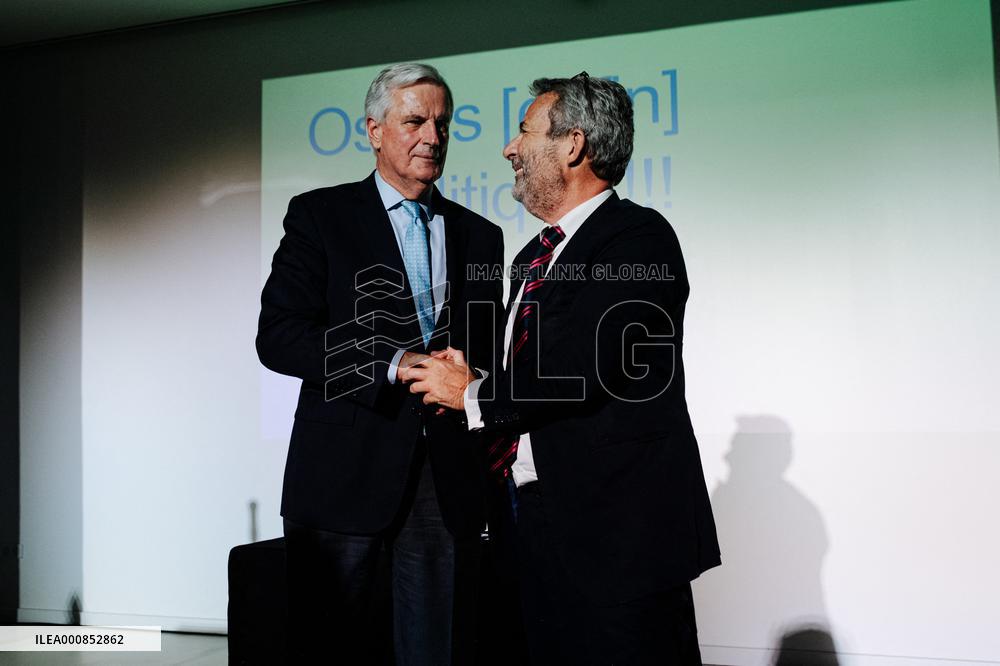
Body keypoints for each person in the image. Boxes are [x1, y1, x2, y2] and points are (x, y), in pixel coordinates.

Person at [402, 73, 721, 665]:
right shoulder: (531, 257)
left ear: (572, 146)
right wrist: (473, 369)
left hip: (618, 541)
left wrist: (474, 394)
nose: (508, 148)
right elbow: (532, 365)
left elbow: (591, 364)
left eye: (523, 131)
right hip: (531, 528)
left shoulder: (640, 240)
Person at [256, 62, 503, 665]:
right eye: (415, 120)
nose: (432, 136)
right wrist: (392, 364)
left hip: (443, 483)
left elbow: (487, 355)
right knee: (332, 650)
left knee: (434, 651)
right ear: (374, 130)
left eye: (443, 124)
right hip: (340, 476)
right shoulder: (320, 216)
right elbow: (280, 337)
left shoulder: (482, 235)